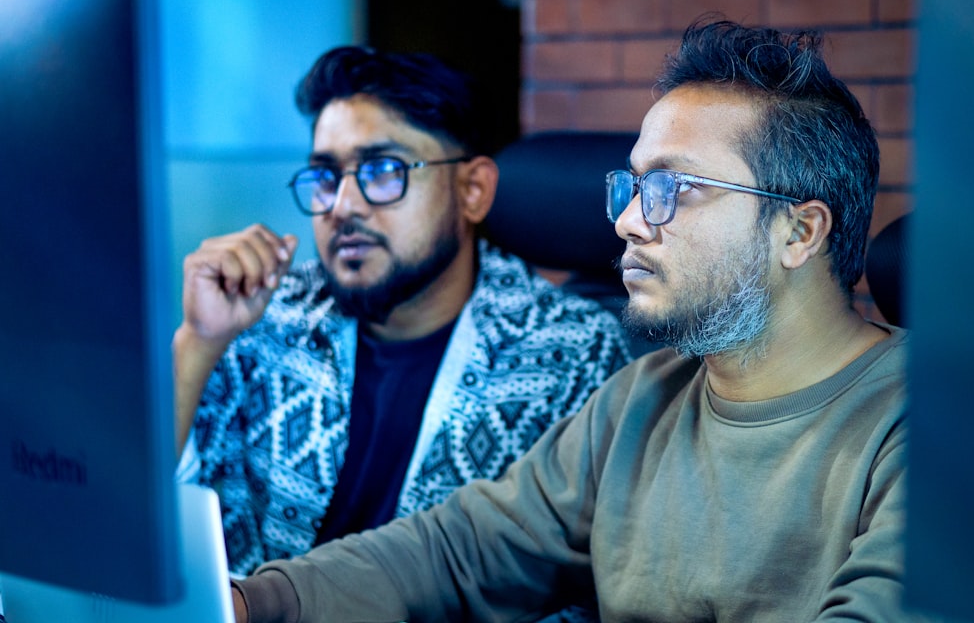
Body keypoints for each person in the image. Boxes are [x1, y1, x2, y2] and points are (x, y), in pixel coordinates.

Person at [229, 17, 926, 622]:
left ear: (799, 232)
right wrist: (254, 602)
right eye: (634, 186)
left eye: (674, 188)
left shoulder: (932, 429)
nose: (628, 222)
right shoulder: (640, 402)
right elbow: (457, 552)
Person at [173, 46, 632, 581]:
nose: (342, 206)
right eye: (326, 176)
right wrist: (197, 341)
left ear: (473, 190)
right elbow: (145, 511)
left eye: (383, 170)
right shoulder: (265, 316)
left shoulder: (570, 352)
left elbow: (578, 583)